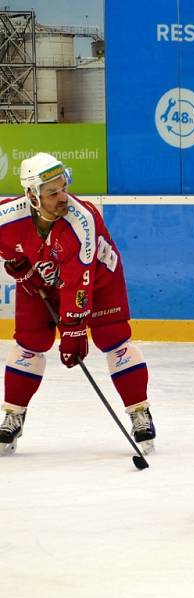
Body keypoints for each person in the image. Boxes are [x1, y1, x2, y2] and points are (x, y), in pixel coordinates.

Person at [0, 153, 155, 455]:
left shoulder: (82, 219)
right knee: (30, 342)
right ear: (32, 195)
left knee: (113, 338)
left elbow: (78, 284)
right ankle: (13, 415)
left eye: (64, 187)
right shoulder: (8, 216)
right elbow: (8, 245)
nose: (63, 197)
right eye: (53, 192)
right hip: (43, 281)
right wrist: (17, 263)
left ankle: (139, 410)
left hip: (98, 279)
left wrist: (73, 332)